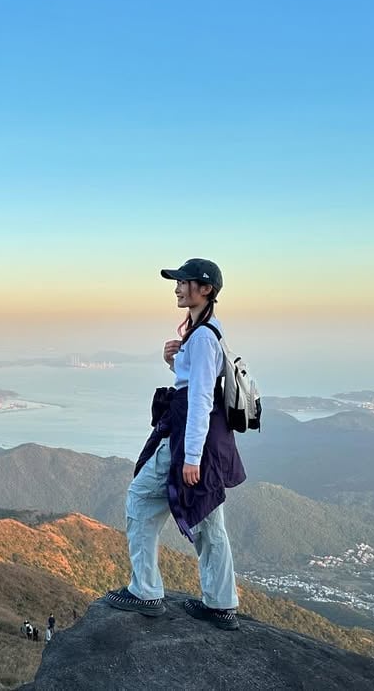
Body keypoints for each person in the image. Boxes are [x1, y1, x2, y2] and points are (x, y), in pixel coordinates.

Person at [105, 259, 245, 631]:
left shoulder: (200, 337)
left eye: (184, 282)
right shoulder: (209, 330)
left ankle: (146, 591)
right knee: (208, 514)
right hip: (208, 437)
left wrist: (191, 458)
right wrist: (173, 361)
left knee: (140, 498)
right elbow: (197, 383)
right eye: (178, 282)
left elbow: (199, 398)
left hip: (189, 436)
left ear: (206, 289)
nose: (177, 287)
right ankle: (220, 602)